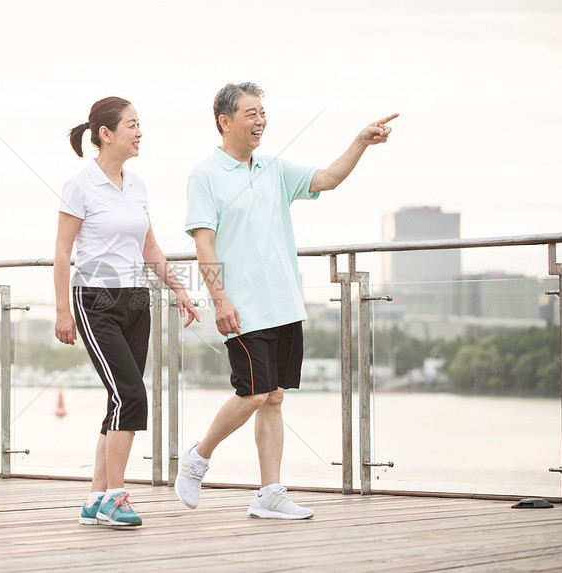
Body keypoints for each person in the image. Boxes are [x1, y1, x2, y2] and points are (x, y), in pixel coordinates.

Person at [176, 82, 397, 519]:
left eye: (263, 112)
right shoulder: (205, 175)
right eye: (251, 114)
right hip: (241, 306)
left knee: (274, 397)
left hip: (285, 303)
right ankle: (197, 458)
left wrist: (360, 142)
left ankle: (269, 494)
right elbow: (205, 245)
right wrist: (219, 300)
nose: (260, 121)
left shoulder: (274, 168)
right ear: (225, 122)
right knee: (253, 393)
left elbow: (328, 179)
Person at [54, 96, 199, 527]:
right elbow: (63, 253)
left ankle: (95, 499)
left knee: (119, 400)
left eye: (140, 125)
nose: (139, 133)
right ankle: (117, 498)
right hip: (95, 300)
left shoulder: (137, 186)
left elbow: (149, 247)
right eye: (132, 125)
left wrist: (180, 291)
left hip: (136, 299)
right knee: (130, 396)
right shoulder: (79, 186)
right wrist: (63, 311)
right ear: (106, 134)